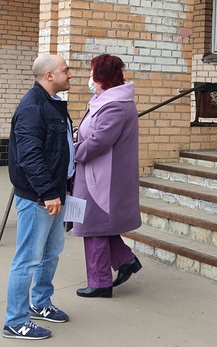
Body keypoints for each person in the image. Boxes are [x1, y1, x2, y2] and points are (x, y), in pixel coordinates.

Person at [3, 54, 74, 340]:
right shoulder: (33, 107)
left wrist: (63, 186)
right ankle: (15, 321)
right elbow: (30, 156)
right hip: (39, 197)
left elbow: (57, 148)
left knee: (51, 252)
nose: (71, 75)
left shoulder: (52, 103)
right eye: (66, 70)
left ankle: (40, 303)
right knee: (28, 259)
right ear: (49, 75)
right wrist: (46, 192)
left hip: (56, 192)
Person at [72, 54, 142, 299]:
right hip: (97, 174)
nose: (89, 78)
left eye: (91, 72)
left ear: (101, 77)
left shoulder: (114, 105)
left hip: (103, 177)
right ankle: (125, 260)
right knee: (97, 223)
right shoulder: (107, 100)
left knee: (93, 227)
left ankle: (100, 282)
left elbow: (99, 141)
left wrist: (71, 152)